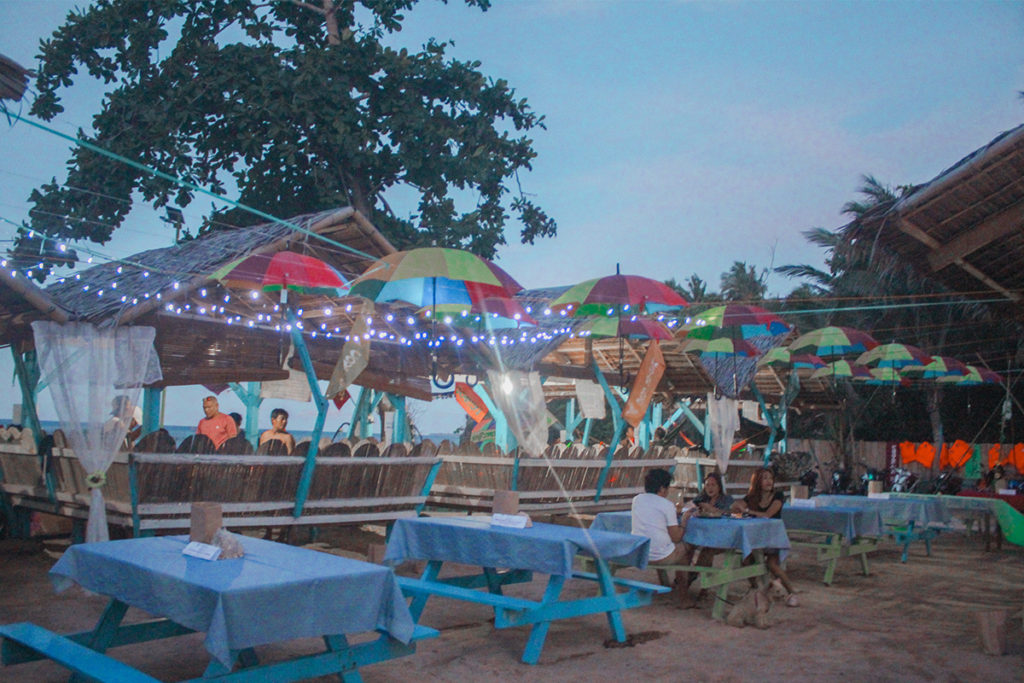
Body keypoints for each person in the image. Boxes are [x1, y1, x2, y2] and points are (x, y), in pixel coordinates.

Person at [732, 466, 799, 607]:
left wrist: (748, 510)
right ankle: (756, 588)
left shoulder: (778, 496)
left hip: (773, 537)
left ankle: (791, 591)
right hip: (756, 537)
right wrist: (737, 506)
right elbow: (736, 507)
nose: (769, 481)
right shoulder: (751, 497)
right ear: (757, 481)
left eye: (770, 478)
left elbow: (769, 514)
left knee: (772, 565)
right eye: (764, 478)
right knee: (745, 559)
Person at [631, 468, 696, 608]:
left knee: (664, 544)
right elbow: (677, 537)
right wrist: (684, 522)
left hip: (640, 552)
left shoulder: (637, 500)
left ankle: (667, 585)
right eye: (667, 488)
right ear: (662, 488)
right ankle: (683, 596)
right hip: (661, 556)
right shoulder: (666, 505)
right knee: (686, 549)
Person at [689, 471, 735, 579]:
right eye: (707, 485)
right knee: (687, 547)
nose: (710, 488)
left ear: (719, 486)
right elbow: (688, 507)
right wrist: (695, 509)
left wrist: (710, 508)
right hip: (702, 535)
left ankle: (695, 580)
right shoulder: (702, 498)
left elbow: (731, 513)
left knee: (707, 551)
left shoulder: (726, 499)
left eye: (713, 485)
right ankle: (686, 577)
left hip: (722, 536)